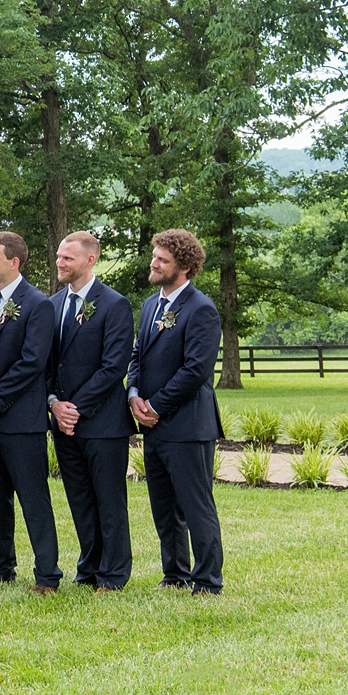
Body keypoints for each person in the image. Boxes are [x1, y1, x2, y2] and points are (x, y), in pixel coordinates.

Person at [0, 232, 61, 592]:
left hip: (20, 420)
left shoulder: (37, 304)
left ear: (14, 262)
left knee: (33, 499)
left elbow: (32, 362)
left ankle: (48, 575)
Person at [129, 228, 224, 594]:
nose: (153, 263)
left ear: (184, 267)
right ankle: (175, 574)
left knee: (195, 506)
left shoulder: (201, 309)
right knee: (164, 507)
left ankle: (208, 580)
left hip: (187, 426)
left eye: (162, 260)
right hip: (153, 426)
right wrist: (134, 394)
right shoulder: (153, 305)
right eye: (154, 256)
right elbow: (137, 355)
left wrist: (155, 405)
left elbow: (196, 371)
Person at [47, 231, 136, 591]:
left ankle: (113, 574)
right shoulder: (51, 305)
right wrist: (53, 403)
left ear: (90, 260)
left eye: (67, 258)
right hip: (62, 421)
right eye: (58, 256)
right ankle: (88, 568)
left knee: (108, 500)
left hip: (103, 422)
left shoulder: (114, 304)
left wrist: (76, 408)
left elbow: (114, 366)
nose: (59, 263)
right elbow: (44, 363)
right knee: (80, 499)